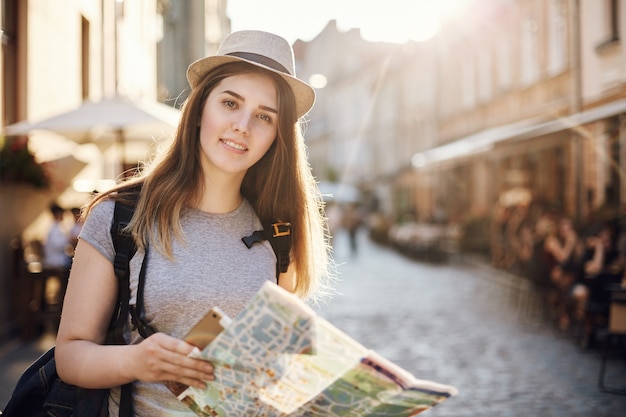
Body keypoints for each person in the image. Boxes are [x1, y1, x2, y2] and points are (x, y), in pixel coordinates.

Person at [55, 30, 334, 415]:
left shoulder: (280, 230)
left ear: (276, 136)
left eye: (264, 116)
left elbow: (283, 369)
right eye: (230, 102)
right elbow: (69, 356)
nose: (243, 125)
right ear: (200, 107)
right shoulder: (120, 215)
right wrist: (136, 361)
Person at [42, 203, 71, 269]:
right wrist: (68, 240)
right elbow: (57, 244)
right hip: (55, 259)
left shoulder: (57, 227)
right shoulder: (54, 228)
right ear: (58, 214)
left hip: (57, 257)